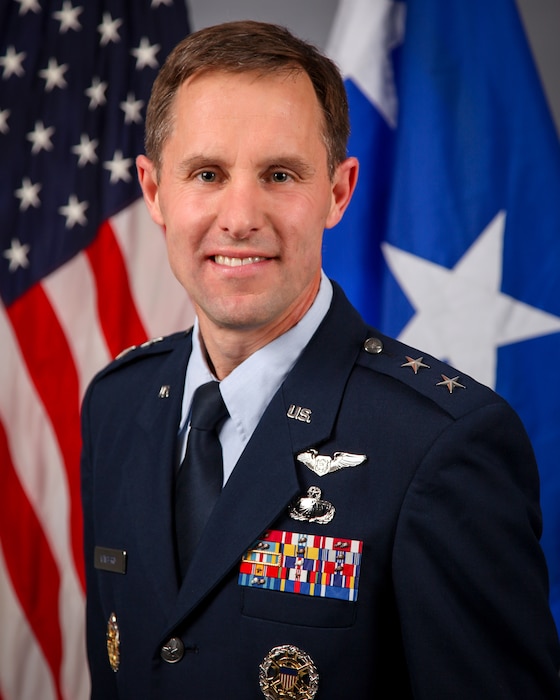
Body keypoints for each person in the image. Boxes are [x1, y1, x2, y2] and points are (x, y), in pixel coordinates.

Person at [80, 20, 560, 699]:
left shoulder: (442, 444)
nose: (240, 216)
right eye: (207, 173)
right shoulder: (115, 404)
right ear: (155, 191)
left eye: (280, 174)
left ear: (338, 192)